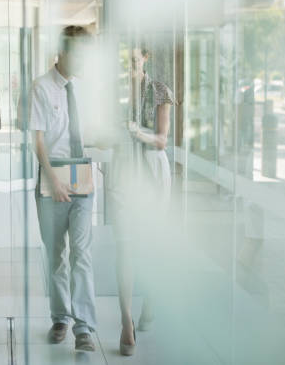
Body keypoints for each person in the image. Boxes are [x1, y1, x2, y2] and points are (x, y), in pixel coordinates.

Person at [29, 25, 97, 352]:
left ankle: (84, 326)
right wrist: (53, 179)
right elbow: (38, 138)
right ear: (63, 53)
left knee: (82, 254)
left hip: (82, 177)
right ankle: (60, 319)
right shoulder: (41, 87)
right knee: (55, 254)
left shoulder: (86, 87)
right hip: (51, 178)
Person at [116, 46, 174, 356]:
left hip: (152, 170)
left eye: (134, 61)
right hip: (125, 171)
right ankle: (126, 324)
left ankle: (150, 303)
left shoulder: (159, 90)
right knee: (125, 247)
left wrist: (136, 132)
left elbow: (162, 139)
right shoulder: (115, 93)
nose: (129, 67)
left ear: (146, 58)